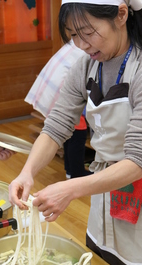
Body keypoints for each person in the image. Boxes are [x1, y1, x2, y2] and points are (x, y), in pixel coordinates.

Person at [9, 0, 142, 265]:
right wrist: (27, 173)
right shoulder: (86, 64)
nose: (81, 45)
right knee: (103, 264)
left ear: (121, 15)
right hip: (104, 181)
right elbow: (57, 124)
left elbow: (137, 161)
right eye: (73, 35)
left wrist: (70, 189)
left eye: (88, 33)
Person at [25, 40, 93, 179]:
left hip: (59, 89)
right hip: (66, 91)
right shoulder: (87, 47)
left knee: (68, 133)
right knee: (77, 133)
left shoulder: (75, 44)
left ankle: (70, 170)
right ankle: (76, 172)